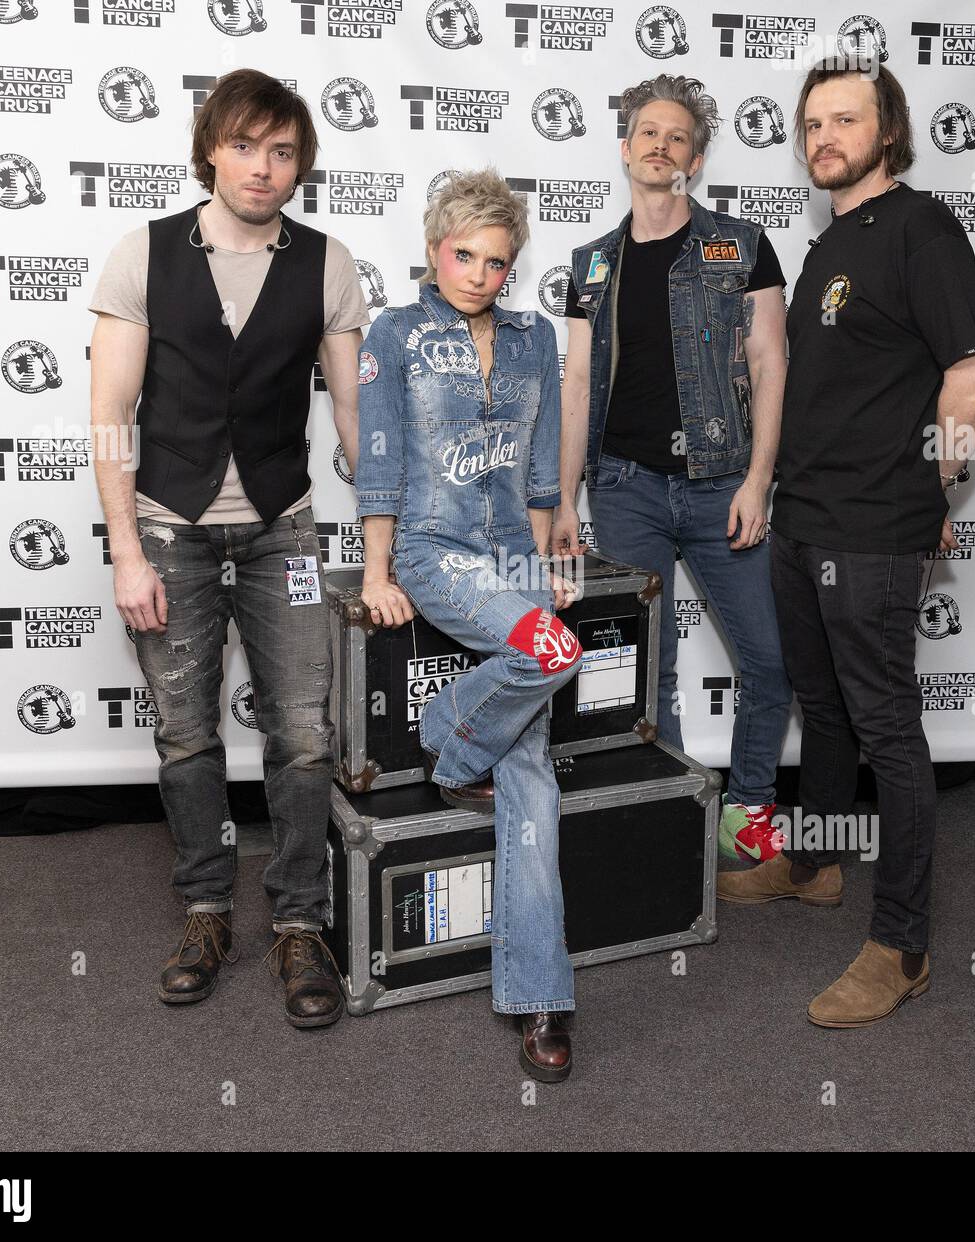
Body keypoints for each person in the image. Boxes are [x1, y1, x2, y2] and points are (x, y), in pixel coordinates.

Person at [89, 69, 369, 1028]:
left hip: (284, 527)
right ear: (211, 147)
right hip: (168, 533)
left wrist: (397, 521)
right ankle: (207, 908)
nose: (263, 166)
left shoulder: (329, 265)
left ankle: (300, 922)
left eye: (283, 151)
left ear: (300, 168)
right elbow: (111, 414)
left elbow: (357, 425)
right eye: (246, 144)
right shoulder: (144, 254)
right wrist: (126, 550)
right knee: (186, 732)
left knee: (302, 732)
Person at [720, 58, 975, 1028]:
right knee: (823, 707)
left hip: (872, 530)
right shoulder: (833, 241)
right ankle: (814, 865)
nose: (823, 137)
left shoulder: (921, 228)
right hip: (803, 519)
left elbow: (970, 375)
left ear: (889, 132)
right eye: (811, 124)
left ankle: (904, 946)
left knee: (887, 730)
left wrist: (929, 484)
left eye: (845, 119)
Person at [355, 169, 581, 1082]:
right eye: (465, 255)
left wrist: (539, 567)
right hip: (435, 551)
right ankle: (449, 735)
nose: (481, 274)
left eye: (498, 261)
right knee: (554, 657)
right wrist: (376, 571)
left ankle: (541, 996)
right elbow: (378, 461)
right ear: (432, 245)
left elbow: (536, 472)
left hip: (510, 555)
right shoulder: (396, 334)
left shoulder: (533, 341)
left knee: (530, 769)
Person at [553, 74, 792, 868]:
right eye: (647, 132)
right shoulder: (590, 264)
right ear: (625, 149)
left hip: (724, 484)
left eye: (677, 136)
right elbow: (578, 387)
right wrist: (562, 499)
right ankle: (680, 809)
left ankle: (749, 808)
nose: (661, 145)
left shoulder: (743, 245)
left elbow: (769, 362)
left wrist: (759, 480)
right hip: (624, 488)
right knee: (646, 671)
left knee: (766, 660)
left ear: (695, 156)